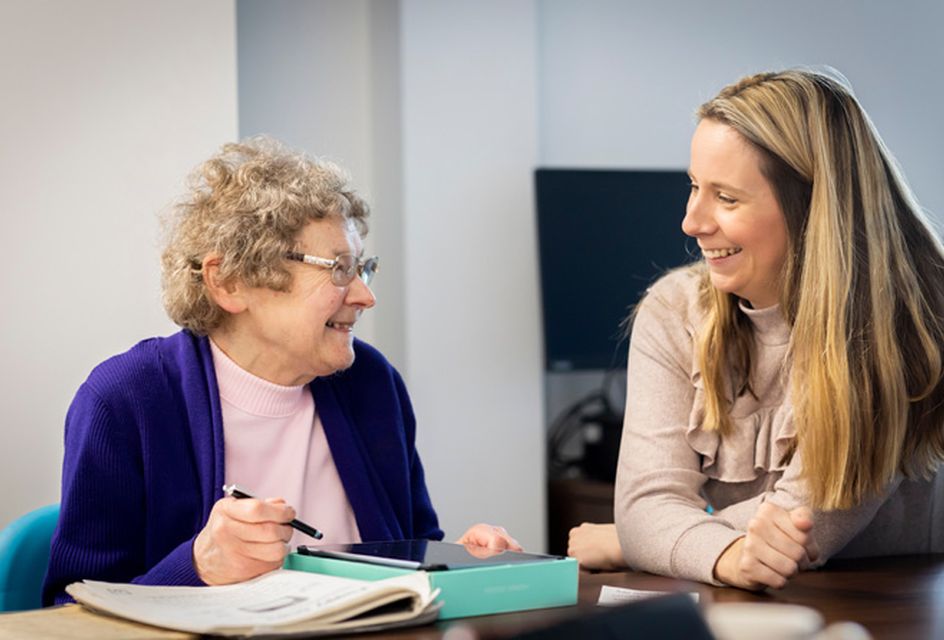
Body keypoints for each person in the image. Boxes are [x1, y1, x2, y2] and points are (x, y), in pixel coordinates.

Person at [42, 137, 520, 605]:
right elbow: (68, 611)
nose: (364, 296)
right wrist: (198, 566)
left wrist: (461, 563)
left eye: (362, 269)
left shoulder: (372, 384)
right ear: (229, 281)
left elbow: (416, 549)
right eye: (337, 269)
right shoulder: (127, 399)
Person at [568, 69, 944, 590]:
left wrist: (640, 541)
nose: (691, 221)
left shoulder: (900, 320)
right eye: (694, 187)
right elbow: (646, 505)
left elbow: (804, 525)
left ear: (812, 210)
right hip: (753, 607)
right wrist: (700, 548)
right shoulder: (674, 310)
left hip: (883, 609)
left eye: (726, 197)